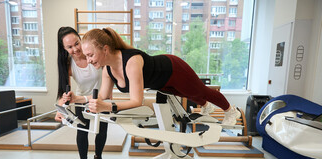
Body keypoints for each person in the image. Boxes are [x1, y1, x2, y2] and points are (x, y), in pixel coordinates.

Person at [81, 27, 241, 126]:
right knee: (186, 93)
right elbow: (102, 96)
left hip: (173, 68)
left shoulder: (131, 61)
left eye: (90, 55)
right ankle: (207, 106)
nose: (88, 61)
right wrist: (77, 99)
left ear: (105, 49)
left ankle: (231, 111)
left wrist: (108, 107)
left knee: (200, 91)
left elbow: (137, 101)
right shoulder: (107, 69)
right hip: (162, 83)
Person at [56, 26, 108, 159]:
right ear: (64, 48)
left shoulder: (93, 52)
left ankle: (98, 157)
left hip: (101, 99)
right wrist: (60, 108)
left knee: (101, 131)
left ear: (81, 40)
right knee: (82, 131)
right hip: (81, 100)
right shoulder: (67, 64)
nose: (75, 49)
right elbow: (63, 91)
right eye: (69, 47)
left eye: (76, 43)